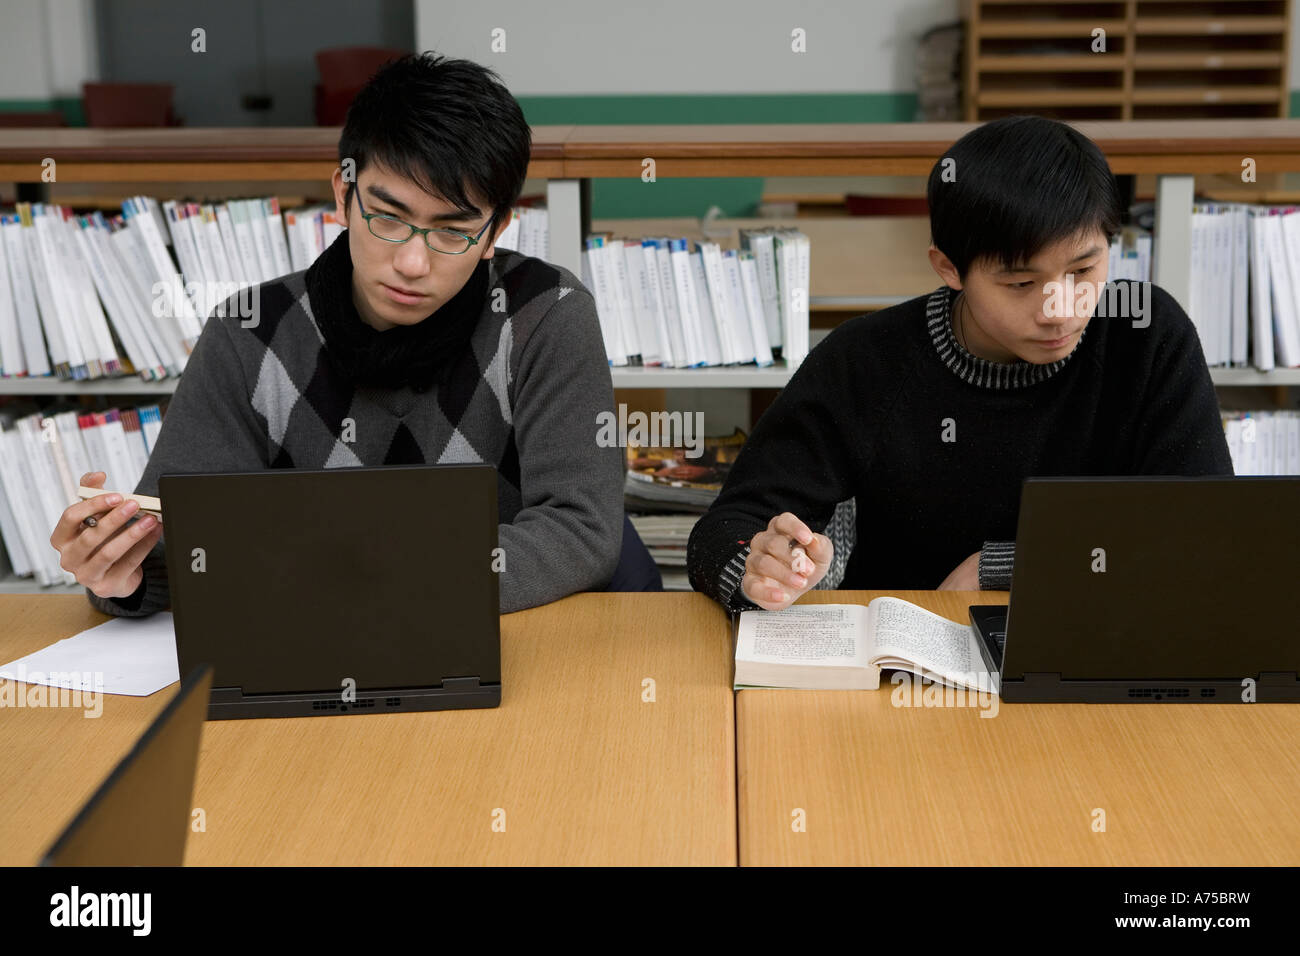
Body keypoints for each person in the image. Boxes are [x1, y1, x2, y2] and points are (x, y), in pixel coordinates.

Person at [53, 52, 650, 617]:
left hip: (511, 644)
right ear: (342, 195)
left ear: (495, 231)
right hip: (324, 654)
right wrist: (119, 573)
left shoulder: (546, 313)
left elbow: (580, 526)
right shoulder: (249, 333)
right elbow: (177, 543)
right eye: (387, 218)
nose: (413, 263)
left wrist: (369, 582)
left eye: (452, 232)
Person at [688, 114, 1233, 612]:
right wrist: (759, 568)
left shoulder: (1146, 334)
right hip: (903, 668)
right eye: (1021, 283)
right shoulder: (868, 360)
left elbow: (1204, 528)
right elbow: (725, 530)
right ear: (949, 269)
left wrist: (1003, 567)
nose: (1060, 309)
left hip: (1098, 644)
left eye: (1084, 270)